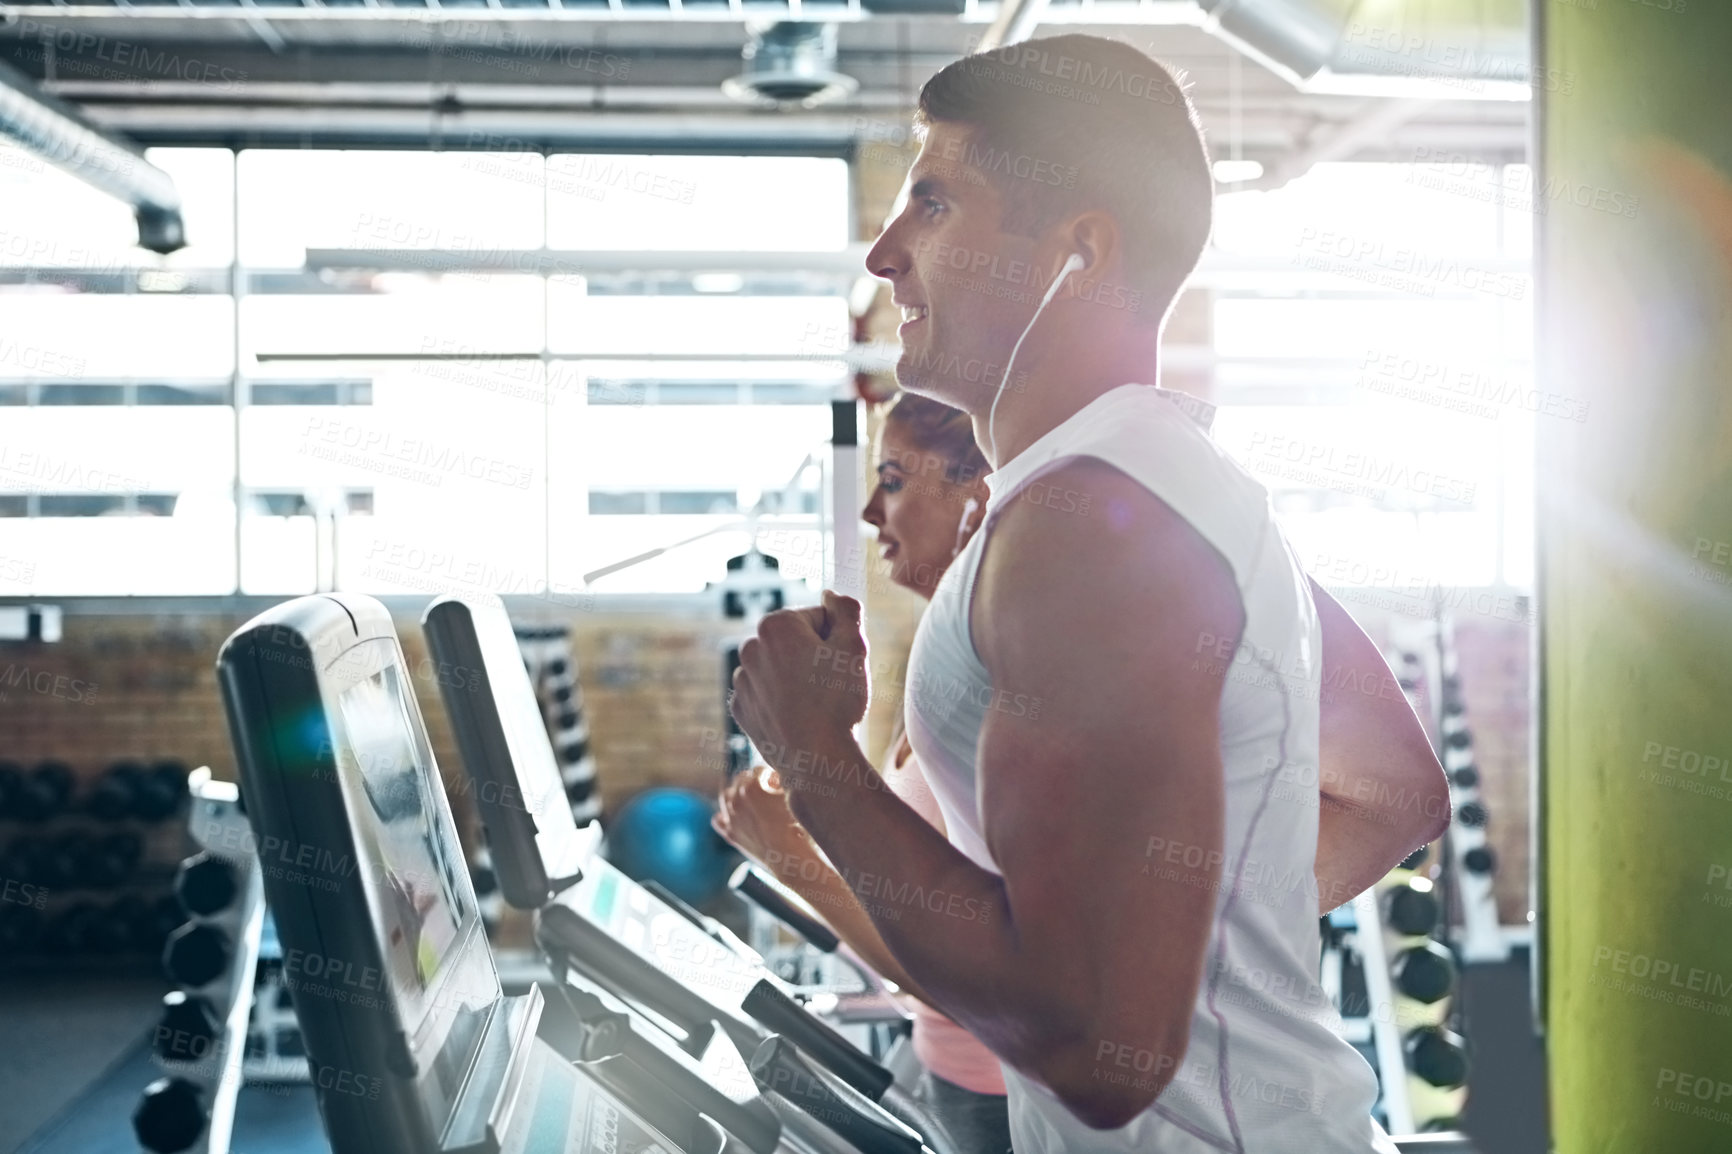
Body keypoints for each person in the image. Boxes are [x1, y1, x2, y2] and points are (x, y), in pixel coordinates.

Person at [725, 33, 1450, 1154]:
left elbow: (1097, 1047)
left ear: (1076, 250)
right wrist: (1166, 933)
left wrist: (813, 754)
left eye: (933, 206)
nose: (883, 253)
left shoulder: (1096, 537)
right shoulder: (1169, 487)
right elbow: (1396, 790)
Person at [714, 391, 1010, 1154]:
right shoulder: (943, 656)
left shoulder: (1004, 679)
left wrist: (788, 850)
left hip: (1001, 1095)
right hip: (958, 1070)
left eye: (895, 481)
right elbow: (904, 902)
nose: (875, 512)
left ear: (977, 493)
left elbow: (950, 965)